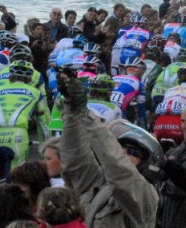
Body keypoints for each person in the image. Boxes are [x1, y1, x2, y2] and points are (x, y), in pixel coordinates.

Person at [58, 74, 161, 227]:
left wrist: (85, 113)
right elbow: (74, 160)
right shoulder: (99, 184)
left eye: (134, 152)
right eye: (121, 148)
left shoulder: (147, 195)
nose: (124, 153)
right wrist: (71, 107)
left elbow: (120, 171)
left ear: (148, 162)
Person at [0, 60, 50, 182]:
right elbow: (43, 121)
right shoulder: (35, 93)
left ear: (10, 77)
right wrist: (45, 145)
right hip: (17, 136)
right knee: (16, 179)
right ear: (29, 79)